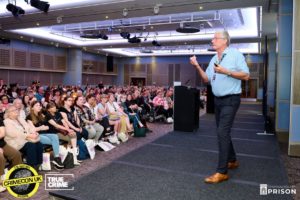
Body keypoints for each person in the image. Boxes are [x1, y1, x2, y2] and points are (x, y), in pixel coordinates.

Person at [190, 30, 250, 184]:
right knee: (222, 131)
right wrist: (197, 66)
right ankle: (232, 160)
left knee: (222, 131)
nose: (212, 40)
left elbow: (246, 75)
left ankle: (222, 172)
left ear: (225, 41)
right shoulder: (213, 58)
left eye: (215, 38)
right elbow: (206, 79)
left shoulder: (235, 55)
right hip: (217, 100)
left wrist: (226, 71)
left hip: (231, 99)